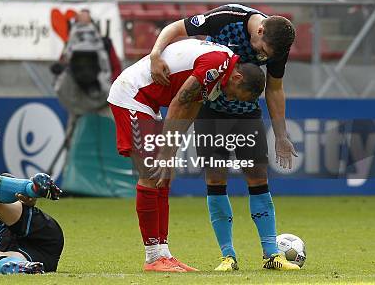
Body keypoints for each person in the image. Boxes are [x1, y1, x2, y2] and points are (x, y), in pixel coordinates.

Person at [147, 4, 299, 271]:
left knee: (259, 179)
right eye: (261, 50)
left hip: (247, 114)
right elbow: (175, 28)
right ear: (259, 30)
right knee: (215, 179)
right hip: (210, 112)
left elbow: (275, 88)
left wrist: (281, 134)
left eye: (266, 55)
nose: (262, 57)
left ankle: (271, 254)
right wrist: (155, 54)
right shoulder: (227, 18)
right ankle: (227, 256)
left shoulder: (277, 45)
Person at [107, 38, 266, 272]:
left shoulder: (221, 71)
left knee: (164, 175)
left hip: (148, 103)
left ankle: (163, 253)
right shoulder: (216, 65)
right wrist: (166, 150)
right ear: (238, 78)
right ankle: (152, 257)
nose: (230, 99)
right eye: (235, 95)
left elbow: (190, 107)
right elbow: (179, 102)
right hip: (132, 96)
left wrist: (170, 150)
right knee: (151, 173)